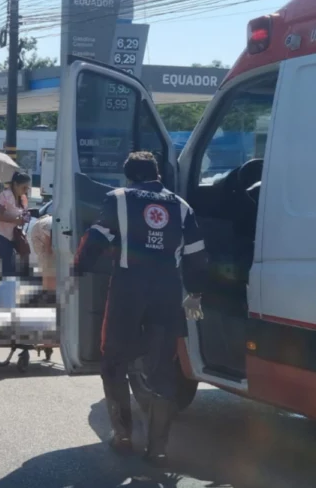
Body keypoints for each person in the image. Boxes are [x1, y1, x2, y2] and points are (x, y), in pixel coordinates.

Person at [72, 151, 208, 468]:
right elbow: (197, 256)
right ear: (158, 174)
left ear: (129, 176)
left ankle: (122, 435)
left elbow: (95, 239)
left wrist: (76, 272)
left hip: (128, 292)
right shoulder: (181, 205)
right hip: (167, 293)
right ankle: (158, 447)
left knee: (114, 361)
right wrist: (196, 295)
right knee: (162, 369)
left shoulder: (119, 198)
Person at [0, 172, 31, 279]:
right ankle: (5, 291)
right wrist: (16, 220)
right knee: (9, 268)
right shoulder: (5, 195)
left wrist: (25, 218)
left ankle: (2, 291)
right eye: (23, 187)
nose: (25, 190)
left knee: (8, 268)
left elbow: (21, 215)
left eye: (27, 188)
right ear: (15, 184)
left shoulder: (23, 198)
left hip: (11, 238)